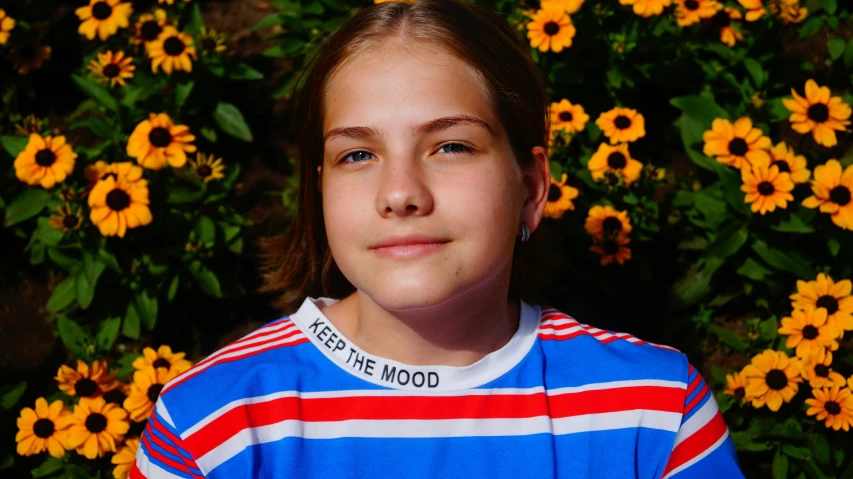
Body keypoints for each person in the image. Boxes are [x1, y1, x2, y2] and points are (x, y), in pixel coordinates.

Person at [131, 0, 745, 477]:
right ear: (318, 191)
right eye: (358, 154)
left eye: (451, 146)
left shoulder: (654, 414)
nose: (400, 193)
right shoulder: (211, 427)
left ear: (532, 186)